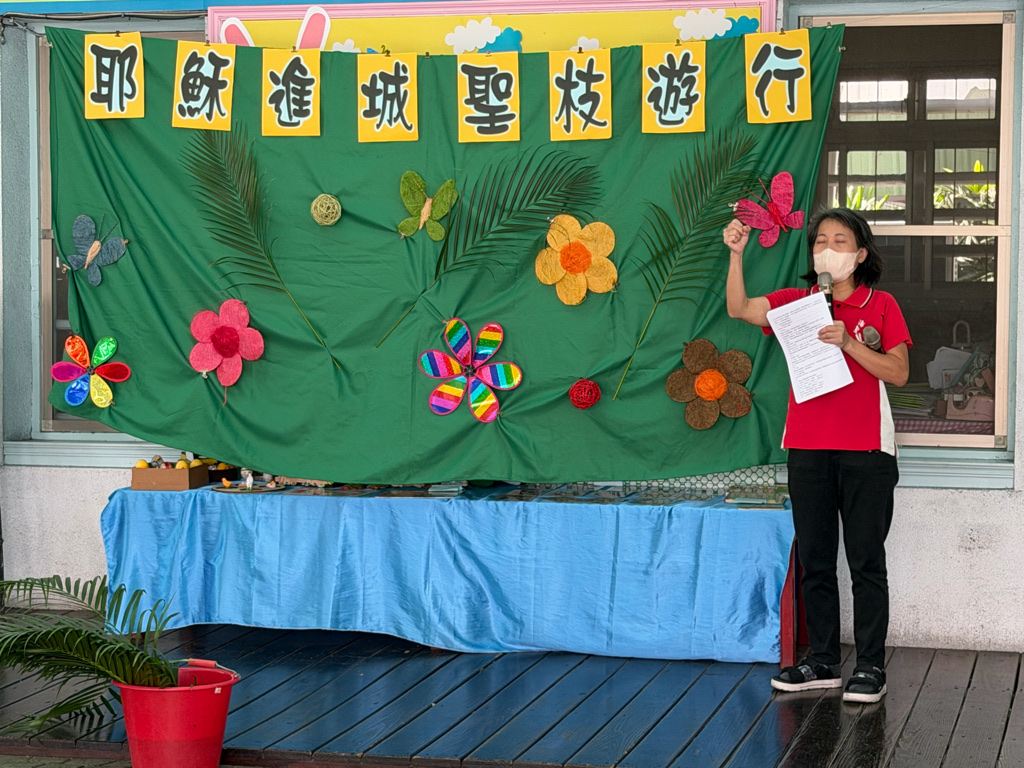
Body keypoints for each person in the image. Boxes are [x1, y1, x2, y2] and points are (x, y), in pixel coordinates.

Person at [723, 207, 911, 704]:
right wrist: (736, 255)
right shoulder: (799, 303)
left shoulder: (881, 304)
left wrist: (849, 342)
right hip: (807, 446)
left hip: (867, 449)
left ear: (861, 254)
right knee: (816, 558)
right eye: (820, 240)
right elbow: (740, 309)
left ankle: (870, 665)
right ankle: (822, 661)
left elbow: (898, 372)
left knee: (866, 560)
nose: (828, 249)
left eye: (840, 241)